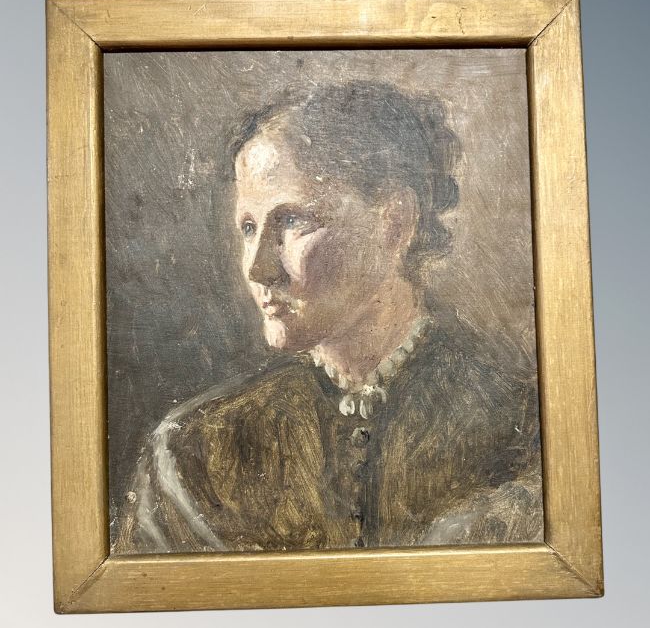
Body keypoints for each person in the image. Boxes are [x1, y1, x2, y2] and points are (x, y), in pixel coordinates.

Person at [113, 81, 542, 554]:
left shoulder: (524, 427)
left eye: (292, 221)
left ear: (395, 223)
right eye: (249, 227)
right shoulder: (192, 454)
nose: (258, 269)